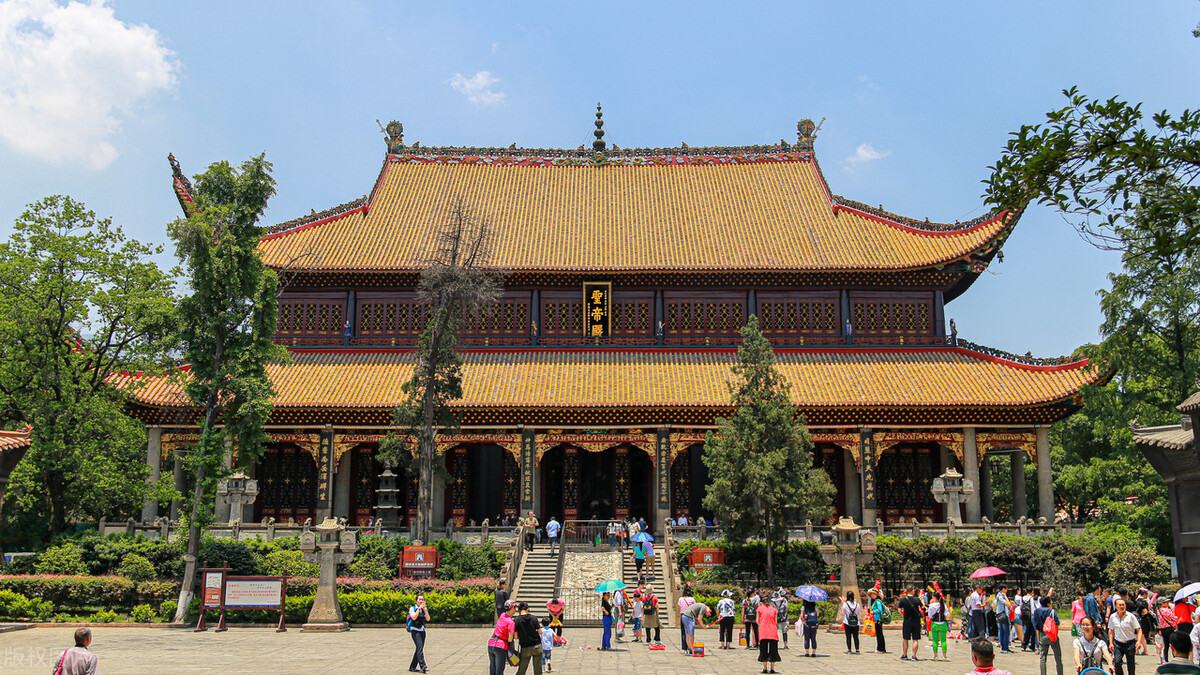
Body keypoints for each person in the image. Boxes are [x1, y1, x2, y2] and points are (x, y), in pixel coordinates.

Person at [1111, 597, 1144, 675]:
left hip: (1129, 643)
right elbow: (1111, 630)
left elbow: (1139, 630)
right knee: (1117, 662)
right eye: (1120, 605)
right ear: (1116, 606)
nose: (1122, 606)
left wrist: (1139, 642)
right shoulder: (1113, 617)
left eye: (1123, 605)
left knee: (1131, 665)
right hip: (1118, 643)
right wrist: (1111, 643)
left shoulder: (1131, 616)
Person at [1034, 595, 1064, 675]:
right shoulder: (1052, 611)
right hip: (1052, 636)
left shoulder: (1037, 611)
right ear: (1048, 603)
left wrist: (1038, 638)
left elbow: (1036, 625)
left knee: (1043, 658)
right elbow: (1057, 623)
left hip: (1042, 635)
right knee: (1058, 657)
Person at [512, 602, 544, 675]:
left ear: (519, 611)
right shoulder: (533, 618)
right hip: (537, 646)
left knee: (522, 670)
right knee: (538, 670)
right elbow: (540, 632)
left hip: (525, 647)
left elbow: (516, 637)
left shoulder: (516, 620)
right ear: (527, 610)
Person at [489, 601, 517, 675]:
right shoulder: (511, 622)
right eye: (515, 607)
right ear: (512, 608)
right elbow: (510, 639)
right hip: (500, 646)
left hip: (491, 643)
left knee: (492, 668)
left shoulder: (502, 615)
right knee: (499, 670)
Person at [899, 584, 923, 661]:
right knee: (915, 639)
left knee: (905, 638)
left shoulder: (902, 600)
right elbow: (922, 607)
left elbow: (899, 610)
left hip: (907, 621)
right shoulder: (917, 599)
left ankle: (905, 655)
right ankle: (913, 656)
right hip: (916, 621)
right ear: (912, 590)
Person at [407, 595, 431, 673]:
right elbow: (413, 617)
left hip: (422, 630)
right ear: (416, 600)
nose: (421, 601)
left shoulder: (424, 609)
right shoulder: (412, 608)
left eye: (422, 600)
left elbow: (428, 619)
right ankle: (422, 665)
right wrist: (419, 609)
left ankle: (412, 667)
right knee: (419, 647)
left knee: (419, 648)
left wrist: (425, 610)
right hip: (415, 630)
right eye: (420, 599)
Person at [928, 592, 950, 662]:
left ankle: (935, 656)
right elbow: (947, 615)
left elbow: (930, 616)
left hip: (935, 624)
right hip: (943, 624)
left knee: (935, 641)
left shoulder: (932, 606)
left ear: (934, 597)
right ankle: (944, 656)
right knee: (943, 641)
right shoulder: (943, 605)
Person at [1160, 598, 1181, 665]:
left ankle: (1165, 659)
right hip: (1169, 628)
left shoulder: (1158, 611)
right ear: (1162, 603)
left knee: (1166, 645)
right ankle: (1175, 657)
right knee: (1173, 643)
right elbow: (1174, 617)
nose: (1168, 603)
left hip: (1163, 629)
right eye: (1166, 602)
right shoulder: (1167, 610)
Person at [868, 587, 888, 654]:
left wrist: (873, 612)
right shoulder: (875, 601)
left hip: (878, 619)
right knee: (879, 634)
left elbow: (880, 610)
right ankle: (881, 648)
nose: (872, 596)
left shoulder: (878, 601)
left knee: (879, 634)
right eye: (872, 595)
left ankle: (880, 648)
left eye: (874, 594)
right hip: (876, 619)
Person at [996, 585, 1014, 654]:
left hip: (1002, 614)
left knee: (1003, 631)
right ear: (1003, 589)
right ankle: (1005, 647)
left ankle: (1004, 647)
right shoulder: (1000, 596)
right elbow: (1008, 604)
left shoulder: (1000, 595)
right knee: (1005, 631)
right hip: (1002, 615)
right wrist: (1006, 596)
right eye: (1006, 589)